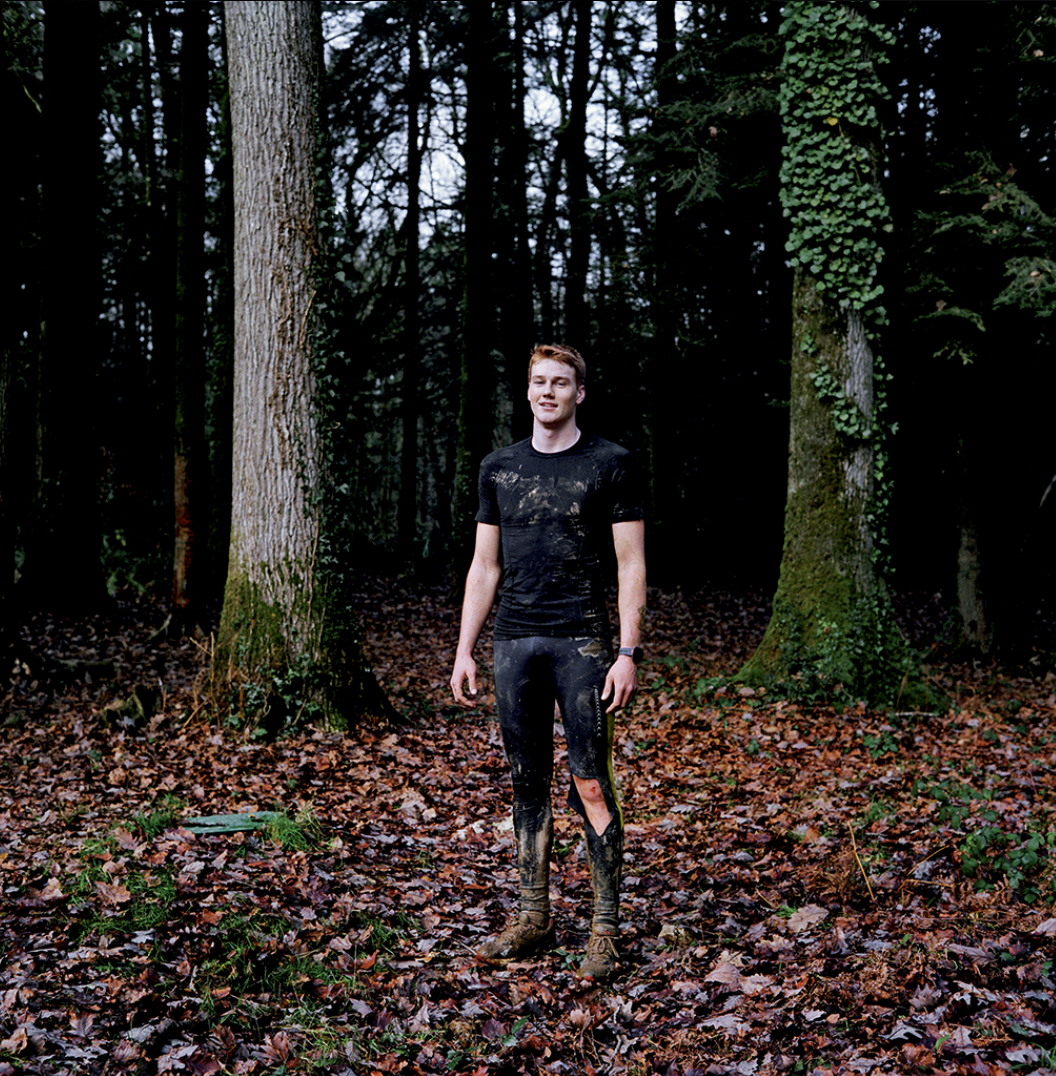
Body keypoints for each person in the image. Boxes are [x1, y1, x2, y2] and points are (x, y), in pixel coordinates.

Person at [450, 343, 646, 981]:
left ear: (578, 393)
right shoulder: (499, 468)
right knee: (525, 782)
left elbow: (631, 565)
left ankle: (604, 930)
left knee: (590, 782)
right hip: (514, 642)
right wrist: (465, 649)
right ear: (528, 389)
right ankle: (534, 917)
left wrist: (627, 652)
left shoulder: (610, 463)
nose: (547, 392)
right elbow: (485, 566)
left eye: (560, 383)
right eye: (538, 381)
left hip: (583, 643)